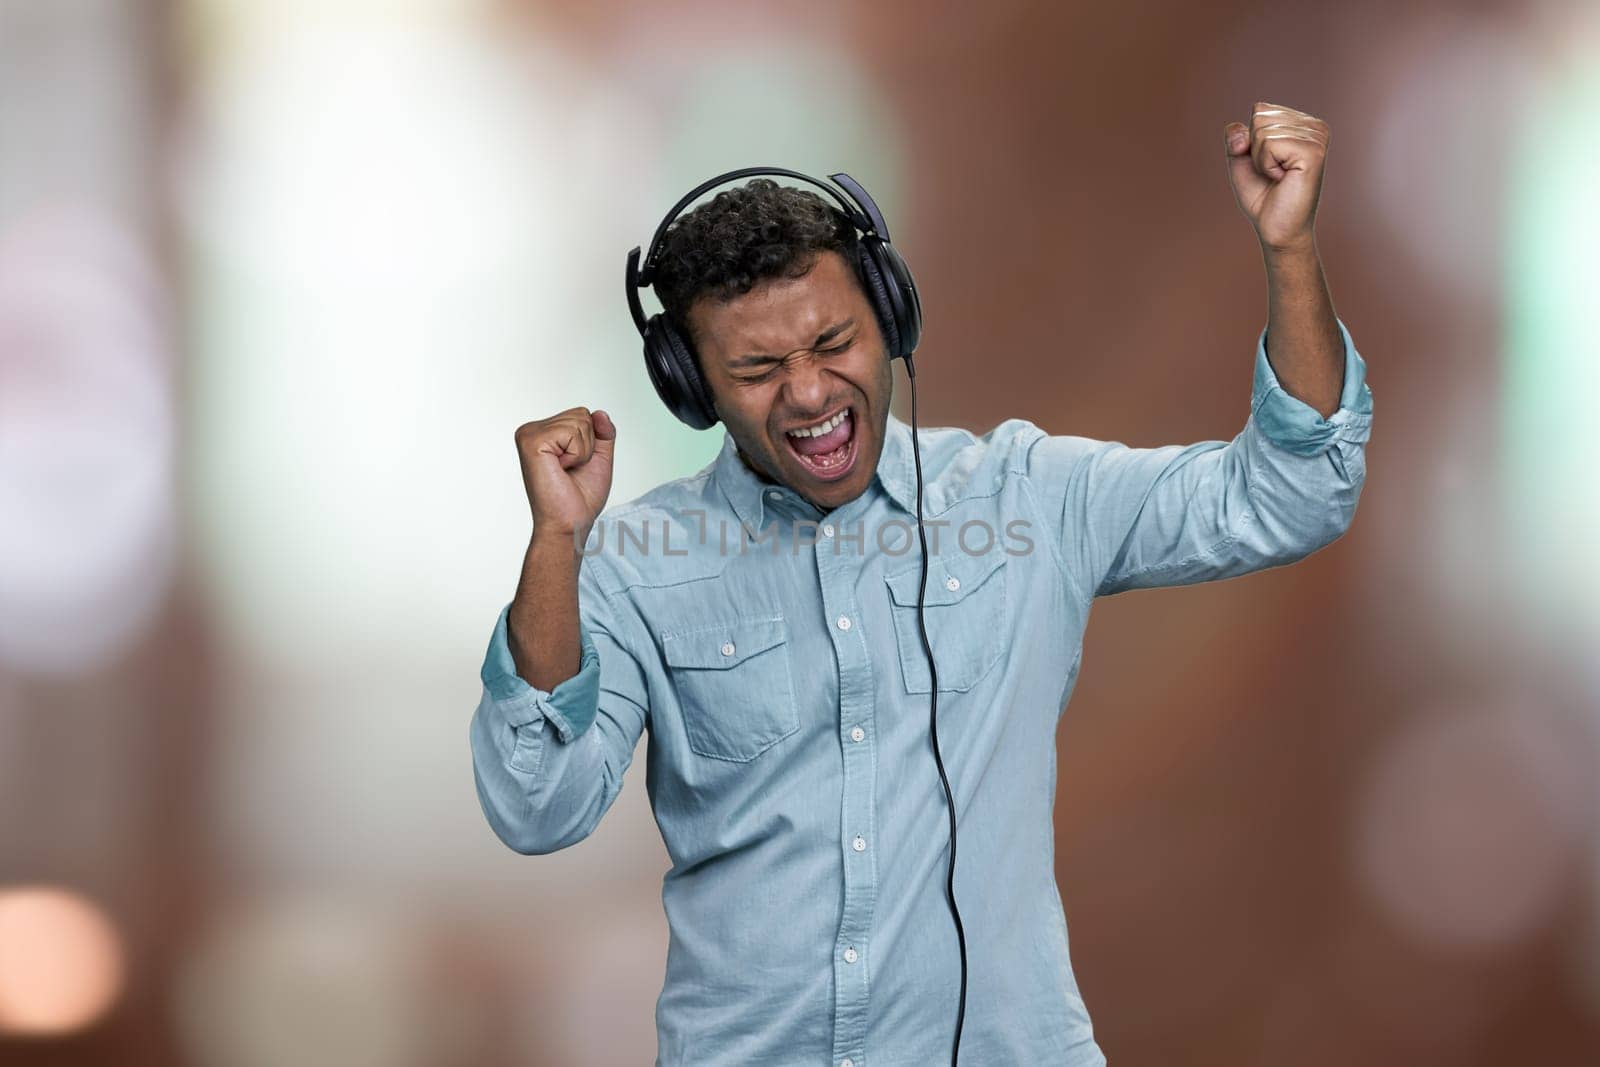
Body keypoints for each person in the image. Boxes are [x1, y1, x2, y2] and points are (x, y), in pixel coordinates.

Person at [468, 101, 1372, 1067]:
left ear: (892, 317)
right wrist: (557, 542)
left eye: (834, 343)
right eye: (760, 368)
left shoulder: (1029, 497)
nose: (810, 392)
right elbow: (538, 805)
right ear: (692, 386)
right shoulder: (633, 562)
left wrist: (1290, 249)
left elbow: (1294, 493)